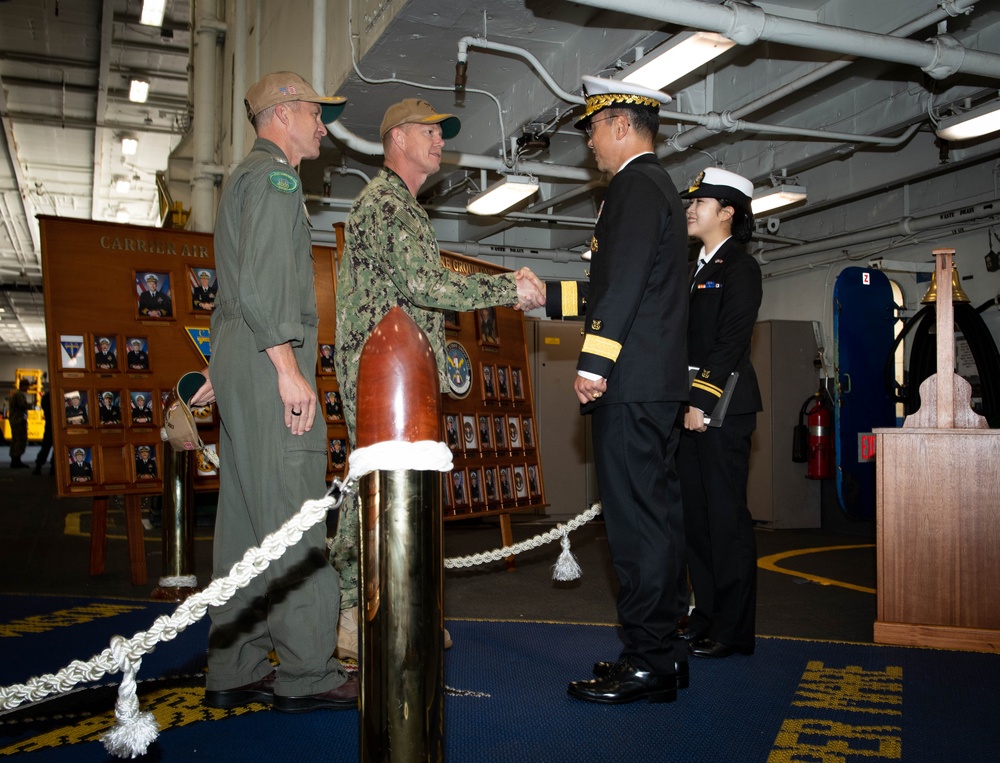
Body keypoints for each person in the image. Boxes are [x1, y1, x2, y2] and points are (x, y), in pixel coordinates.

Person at [332, 97, 545, 658]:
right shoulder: (384, 205)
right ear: (396, 137)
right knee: (376, 489)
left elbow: (422, 286)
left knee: (402, 488)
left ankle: (405, 603)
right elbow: (427, 284)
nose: (439, 140)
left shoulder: (404, 207)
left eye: (440, 132)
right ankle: (352, 612)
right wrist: (508, 289)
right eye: (428, 131)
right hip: (380, 375)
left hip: (403, 374)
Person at [201, 71, 357, 712]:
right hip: (271, 362)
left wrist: (225, 370)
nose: (322, 126)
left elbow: (234, 285)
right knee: (296, 518)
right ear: (283, 113)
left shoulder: (243, 179)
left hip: (242, 360)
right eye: (315, 114)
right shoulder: (276, 180)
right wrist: (287, 370)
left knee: (242, 522)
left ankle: (234, 665)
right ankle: (308, 673)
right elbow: (264, 291)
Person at [535, 76, 690, 704]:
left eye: (594, 130)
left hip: (629, 386)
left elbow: (621, 286)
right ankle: (663, 651)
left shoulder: (632, 186)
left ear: (621, 125)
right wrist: (543, 295)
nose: (590, 145)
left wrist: (594, 364)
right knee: (654, 518)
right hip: (652, 385)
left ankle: (649, 660)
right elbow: (616, 288)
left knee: (636, 527)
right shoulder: (656, 189)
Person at [676, 167, 763, 659]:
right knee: (697, 519)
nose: (692, 208)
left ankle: (733, 629)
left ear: (728, 212)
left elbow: (730, 342)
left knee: (726, 518)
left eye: (702, 202)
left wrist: (701, 403)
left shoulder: (739, 268)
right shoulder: (695, 268)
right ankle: (705, 614)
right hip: (690, 406)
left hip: (721, 407)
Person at [7, 379, 30, 468]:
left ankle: (15, 460)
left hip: (15, 420)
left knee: (15, 440)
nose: (28, 388)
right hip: (19, 421)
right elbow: (23, 405)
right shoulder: (20, 395)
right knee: (20, 440)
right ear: (23, 386)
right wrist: (32, 406)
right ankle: (16, 461)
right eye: (27, 386)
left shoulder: (16, 394)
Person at [33, 387, 53, 475]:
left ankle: (38, 466)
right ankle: (53, 469)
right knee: (57, 450)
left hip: (49, 425)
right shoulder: (57, 396)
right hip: (57, 426)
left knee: (45, 447)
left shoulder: (46, 397)